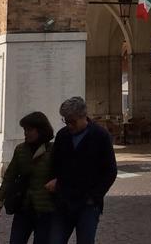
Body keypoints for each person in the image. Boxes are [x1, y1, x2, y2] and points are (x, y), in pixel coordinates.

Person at [46, 96, 117, 244]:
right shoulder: (62, 135)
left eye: (72, 121)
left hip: (88, 205)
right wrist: (54, 185)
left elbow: (110, 171)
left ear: (83, 116)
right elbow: (53, 164)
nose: (69, 125)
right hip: (63, 202)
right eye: (66, 121)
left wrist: (95, 197)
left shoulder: (100, 136)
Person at [0, 111, 56, 243]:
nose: (25, 133)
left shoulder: (53, 150)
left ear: (41, 130)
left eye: (29, 129)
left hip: (46, 209)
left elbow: (64, 174)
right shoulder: (20, 149)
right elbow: (9, 177)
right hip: (23, 206)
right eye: (24, 129)